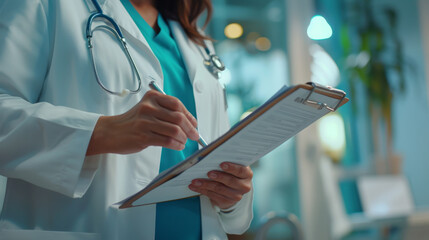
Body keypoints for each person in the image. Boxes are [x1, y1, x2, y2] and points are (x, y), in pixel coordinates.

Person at [0, 0, 254, 239]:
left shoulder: (193, 36)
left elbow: (214, 150)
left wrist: (232, 194)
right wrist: (100, 132)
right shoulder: (51, 6)